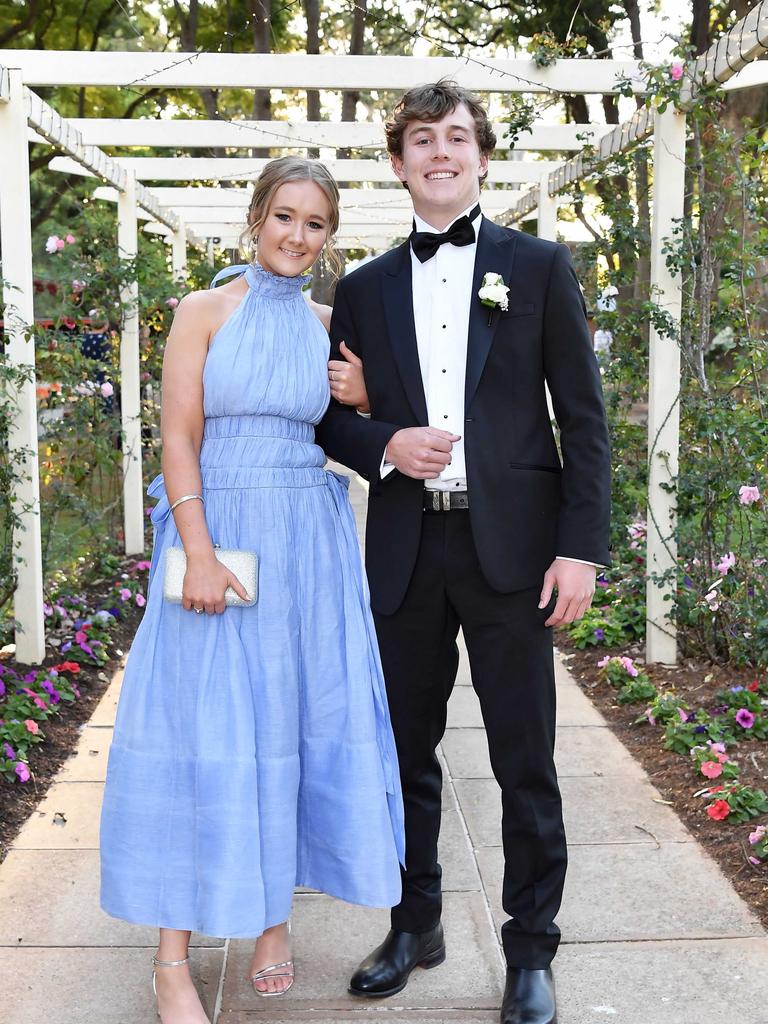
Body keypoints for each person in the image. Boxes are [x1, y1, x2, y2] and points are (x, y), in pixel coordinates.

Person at [316, 81, 611, 1024]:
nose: (440, 152)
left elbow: (587, 422)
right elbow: (331, 415)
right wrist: (384, 443)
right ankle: (417, 921)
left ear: (481, 156)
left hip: (516, 553)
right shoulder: (358, 289)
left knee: (525, 755)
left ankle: (531, 949)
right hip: (407, 548)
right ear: (398, 163)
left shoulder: (540, 267)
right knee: (404, 750)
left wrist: (580, 549)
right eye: (420, 140)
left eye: (456, 137)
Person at [99, 156, 404, 1024]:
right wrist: (196, 551)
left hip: (309, 540)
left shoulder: (325, 324)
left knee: (288, 726)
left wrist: (366, 389)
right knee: (200, 728)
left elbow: (355, 429)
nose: (296, 235)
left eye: (315, 224)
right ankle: (171, 960)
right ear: (255, 217)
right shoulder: (202, 311)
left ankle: (271, 920)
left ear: (329, 237)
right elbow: (179, 438)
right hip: (221, 531)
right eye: (284, 216)